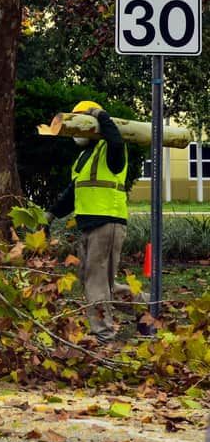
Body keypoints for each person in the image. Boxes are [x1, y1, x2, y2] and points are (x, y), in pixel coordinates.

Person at [45, 100, 130, 343]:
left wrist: (102, 117)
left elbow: (115, 140)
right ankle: (148, 306)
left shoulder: (111, 148)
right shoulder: (83, 157)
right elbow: (73, 192)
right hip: (88, 224)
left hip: (107, 222)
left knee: (96, 281)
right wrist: (51, 214)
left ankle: (103, 334)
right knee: (93, 279)